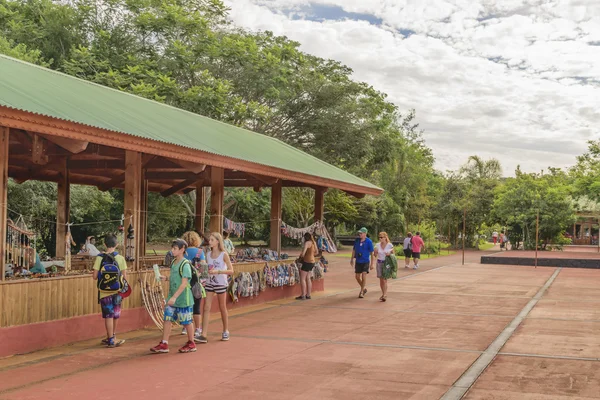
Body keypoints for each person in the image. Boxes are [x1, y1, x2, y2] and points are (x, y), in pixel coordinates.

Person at [151, 239, 196, 353]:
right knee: (167, 318)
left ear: (182, 249)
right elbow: (176, 277)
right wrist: (165, 278)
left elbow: (184, 283)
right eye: (172, 248)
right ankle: (164, 343)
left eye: (175, 248)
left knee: (186, 321)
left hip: (183, 299)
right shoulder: (173, 263)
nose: (172, 250)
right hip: (172, 298)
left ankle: (191, 343)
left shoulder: (185, 264)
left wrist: (174, 297)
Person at [197, 233, 234, 343]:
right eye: (210, 239)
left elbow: (231, 271)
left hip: (221, 283)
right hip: (209, 283)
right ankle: (203, 334)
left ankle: (225, 330)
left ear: (218, 241)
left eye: (212, 240)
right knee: (206, 307)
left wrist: (218, 271)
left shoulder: (224, 254)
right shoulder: (207, 254)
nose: (210, 241)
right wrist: (202, 272)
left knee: (222, 307)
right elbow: (206, 269)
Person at [92, 234, 127, 348]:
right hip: (117, 291)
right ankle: (113, 337)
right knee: (115, 314)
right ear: (117, 245)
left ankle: (110, 338)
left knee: (108, 315)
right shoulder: (120, 258)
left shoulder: (99, 257)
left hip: (104, 291)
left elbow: (95, 276)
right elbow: (124, 277)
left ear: (104, 244)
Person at [180, 231, 206, 340]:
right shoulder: (200, 252)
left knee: (186, 305)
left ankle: (185, 326)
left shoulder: (183, 251)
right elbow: (204, 268)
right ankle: (197, 328)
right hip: (196, 282)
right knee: (196, 306)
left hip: (184, 282)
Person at [351, 227, 374, 299]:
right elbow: (354, 250)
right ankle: (363, 288)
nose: (359, 234)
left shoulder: (369, 241)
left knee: (364, 275)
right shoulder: (357, 241)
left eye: (361, 233)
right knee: (357, 277)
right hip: (358, 261)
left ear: (365, 234)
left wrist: (372, 264)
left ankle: (361, 292)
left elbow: (372, 253)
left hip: (365, 261)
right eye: (359, 233)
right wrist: (351, 259)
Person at [296, 232, 318, 300]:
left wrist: (301, 256)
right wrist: (311, 254)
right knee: (308, 278)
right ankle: (308, 294)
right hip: (312, 262)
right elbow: (316, 252)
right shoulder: (313, 242)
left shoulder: (307, 243)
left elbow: (303, 253)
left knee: (302, 278)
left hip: (307, 262)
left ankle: (303, 295)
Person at [375, 232, 394, 302]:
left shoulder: (389, 245)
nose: (380, 239)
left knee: (384, 279)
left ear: (385, 237)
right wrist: (375, 252)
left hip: (386, 263)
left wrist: (389, 254)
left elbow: (393, 254)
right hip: (379, 263)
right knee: (381, 279)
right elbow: (375, 255)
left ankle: (385, 294)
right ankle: (383, 294)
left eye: (381, 237)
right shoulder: (377, 245)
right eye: (379, 237)